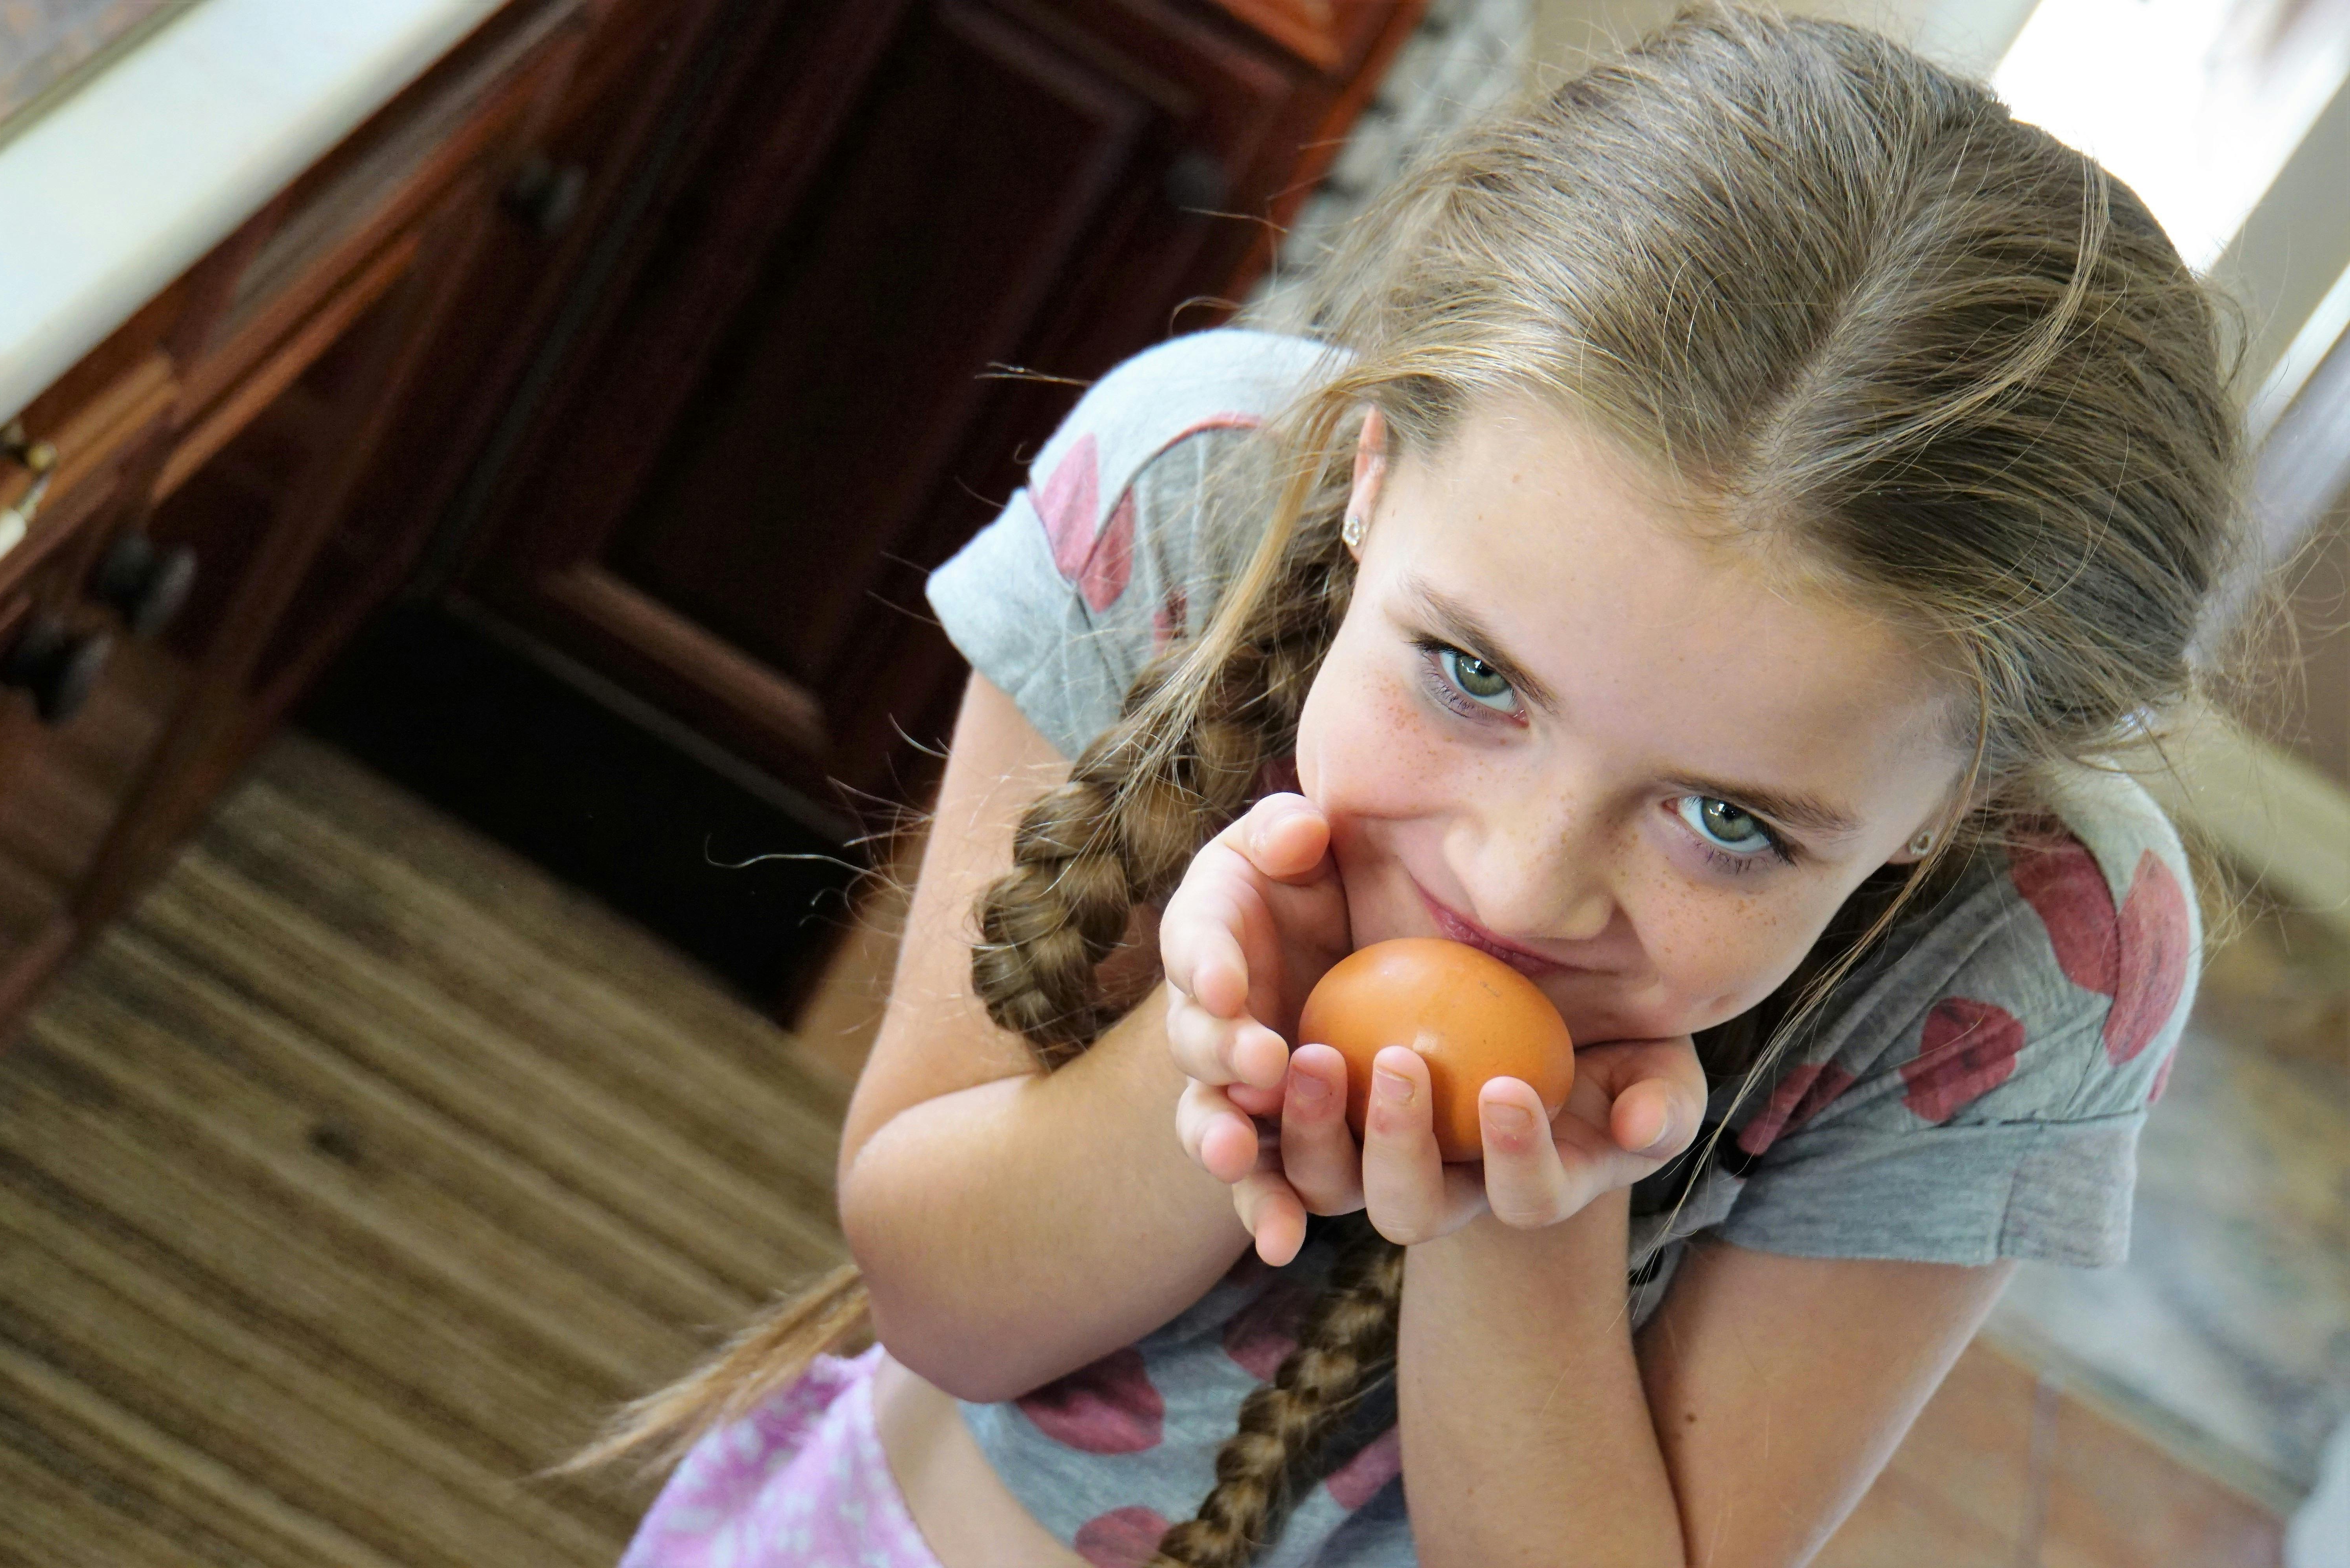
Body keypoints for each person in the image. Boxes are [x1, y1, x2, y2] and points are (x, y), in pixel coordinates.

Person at [587, 7, 2246, 1564]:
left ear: (1952, 808)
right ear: (1372, 475)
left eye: (1729, 820)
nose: (1516, 887)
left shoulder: (2046, 949)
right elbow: (941, 1299)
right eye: (1473, 675)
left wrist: (1524, 1219)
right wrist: (1212, 1054)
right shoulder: (1193, 503)